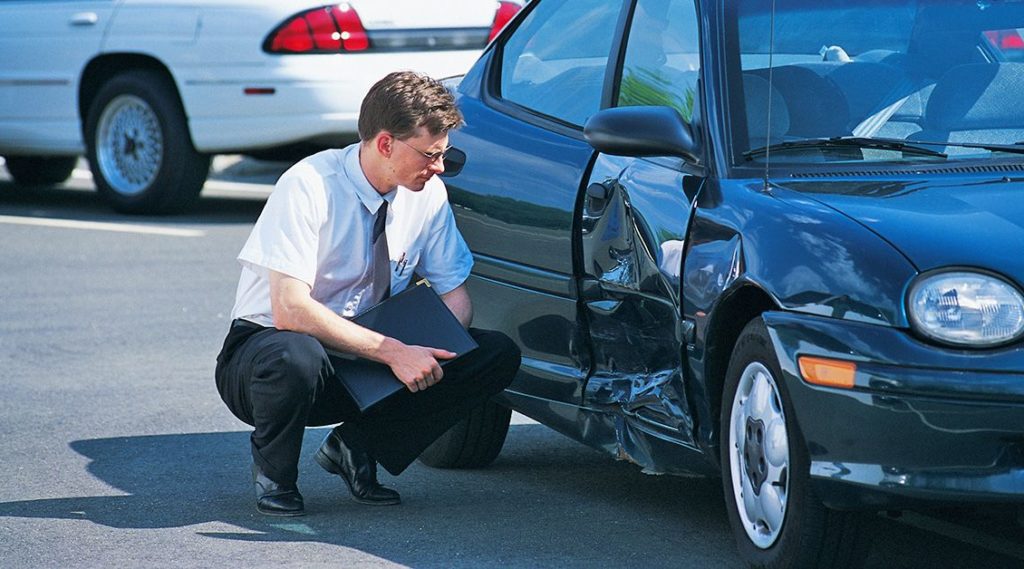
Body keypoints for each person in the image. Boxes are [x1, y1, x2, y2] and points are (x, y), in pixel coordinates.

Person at [214, 71, 521, 517]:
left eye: (445, 155)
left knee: (493, 353)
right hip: (271, 358)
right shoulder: (309, 184)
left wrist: (433, 354)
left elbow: (457, 299)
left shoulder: (426, 193)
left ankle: (357, 447)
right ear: (384, 144)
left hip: (369, 352)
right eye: (430, 155)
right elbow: (290, 310)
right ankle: (275, 475)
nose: (438, 167)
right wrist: (395, 353)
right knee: (297, 353)